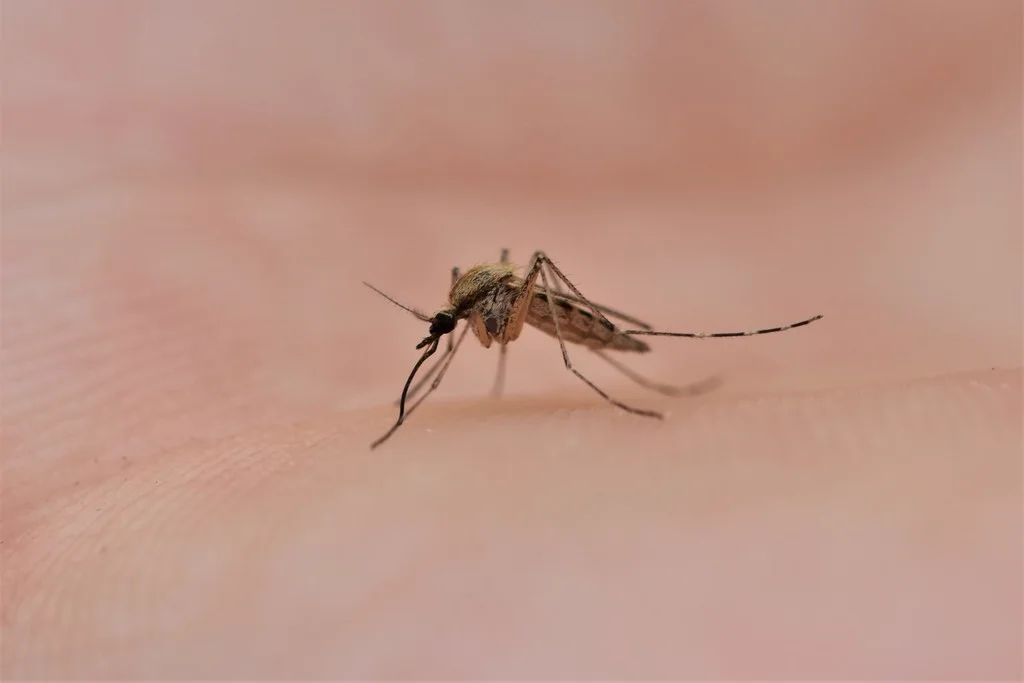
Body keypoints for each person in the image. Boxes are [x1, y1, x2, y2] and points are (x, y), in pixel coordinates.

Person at [3, 1, 1020, 678]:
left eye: (449, 325)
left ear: (470, 314)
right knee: (505, 279)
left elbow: (497, 302)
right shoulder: (458, 319)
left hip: (574, 315)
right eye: (448, 326)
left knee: (530, 265)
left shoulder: (501, 302)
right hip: (514, 298)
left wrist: (568, 334)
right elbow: (448, 337)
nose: (445, 333)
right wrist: (438, 361)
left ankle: (635, 343)